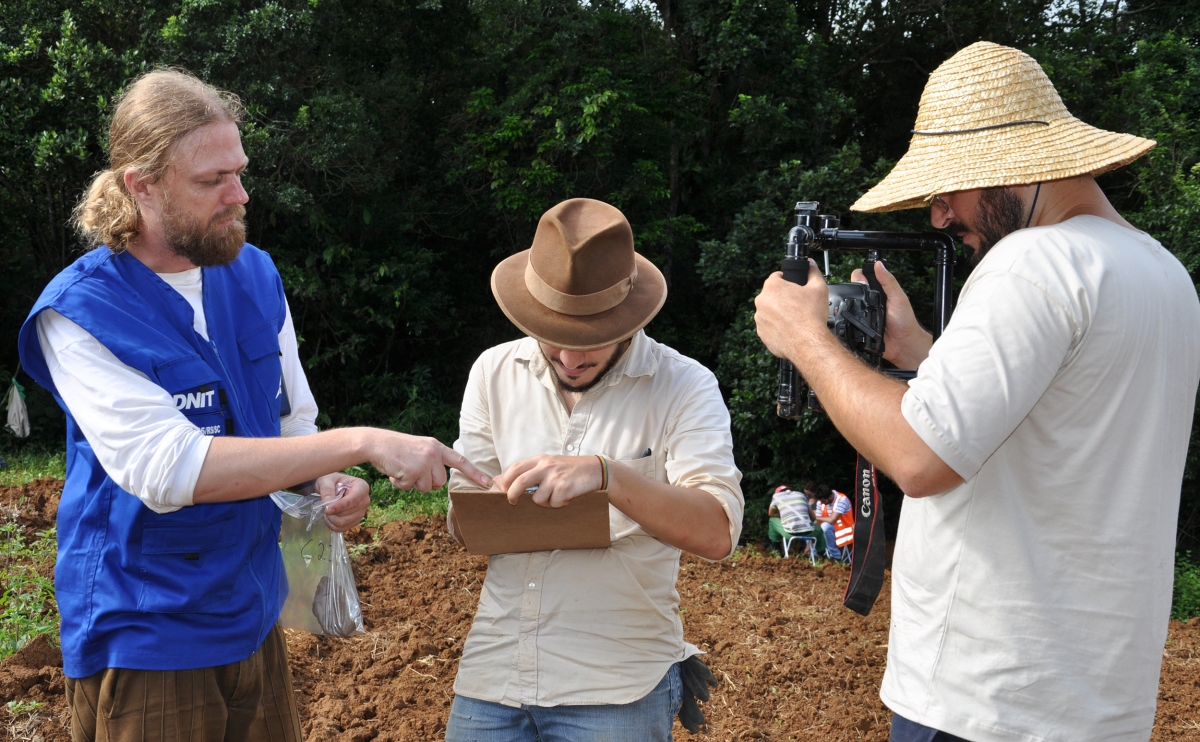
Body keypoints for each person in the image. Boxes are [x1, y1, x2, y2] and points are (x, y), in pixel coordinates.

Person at [17, 69, 490, 742]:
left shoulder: (254, 274)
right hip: (148, 632)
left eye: (238, 173)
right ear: (141, 185)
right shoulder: (81, 312)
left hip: (252, 611)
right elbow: (167, 469)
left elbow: (291, 423)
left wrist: (321, 480)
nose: (239, 195)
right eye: (212, 180)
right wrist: (361, 442)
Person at [753, 41, 1200, 742]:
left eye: (946, 190)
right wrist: (917, 353)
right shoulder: (1161, 272)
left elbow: (919, 457)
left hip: (986, 698)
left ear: (1009, 166)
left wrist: (805, 339)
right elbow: (1051, 425)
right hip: (1098, 703)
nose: (939, 216)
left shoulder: (1031, 262)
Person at [443, 198, 744, 742]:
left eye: (589, 341)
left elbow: (717, 531)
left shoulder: (684, 385)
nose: (569, 357)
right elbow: (466, 527)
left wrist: (608, 476)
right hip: (493, 672)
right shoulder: (493, 371)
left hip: (617, 686)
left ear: (629, 319)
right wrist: (464, 497)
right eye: (552, 335)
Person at [808, 483, 853, 561]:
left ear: (830, 496)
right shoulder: (820, 502)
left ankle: (835, 556)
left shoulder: (842, 499)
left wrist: (814, 517)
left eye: (823, 501)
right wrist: (811, 537)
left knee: (825, 526)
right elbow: (817, 521)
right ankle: (815, 555)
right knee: (810, 527)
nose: (821, 503)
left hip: (844, 529)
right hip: (830, 529)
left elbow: (832, 520)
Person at [767, 484, 815, 556]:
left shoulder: (777, 496)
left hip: (791, 532)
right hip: (809, 532)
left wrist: (781, 515)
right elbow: (813, 517)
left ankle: (776, 548)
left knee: (772, 520)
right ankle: (823, 554)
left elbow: (770, 513)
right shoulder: (801, 495)